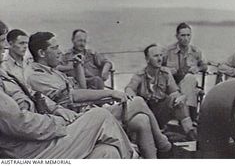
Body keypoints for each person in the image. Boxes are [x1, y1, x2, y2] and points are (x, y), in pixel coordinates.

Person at [0, 20, 135, 159]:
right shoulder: (34, 75)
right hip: (29, 151)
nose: (5, 47)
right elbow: (20, 123)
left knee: (107, 152)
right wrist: (59, 121)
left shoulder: (6, 75)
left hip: (37, 140)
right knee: (101, 116)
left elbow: (35, 95)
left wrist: (58, 109)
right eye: (2, 41)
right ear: (41, 53)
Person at [27, 32, 171, 159]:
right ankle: (161, 141)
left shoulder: (54, 72)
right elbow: (73, 96)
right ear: (41, 53)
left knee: (142, 120)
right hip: (79, 123)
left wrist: (78, 67)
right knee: (138, 101)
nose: (59, 52)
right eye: (54, 48)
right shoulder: (36, 76)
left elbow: (81, 88)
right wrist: (111, 92)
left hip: (85, 113)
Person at [126, 44, 197, 140]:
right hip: (146, 113)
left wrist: (179, 98)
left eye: (160, 55)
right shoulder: (140, 75)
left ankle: (190, 132)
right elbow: (129, 89)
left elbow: (174, 92)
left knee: (178, 100)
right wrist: (131, 95)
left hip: (160, 112)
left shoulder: (166, 73)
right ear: (147, 59)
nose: (160, 59)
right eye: (155, 56)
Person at [163, 23, 207, 121]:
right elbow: (158, 67)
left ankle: (188, 116)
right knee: (188, 84)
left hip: (189, 84)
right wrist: (168, 70)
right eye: (183, 35)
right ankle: (190, 117)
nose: (186, 38)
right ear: (177, 36)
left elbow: (204, 66)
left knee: (189, 78)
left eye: (188, 35)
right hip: (172, 84)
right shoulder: (168, 51)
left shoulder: (196, 51)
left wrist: (197, 68)